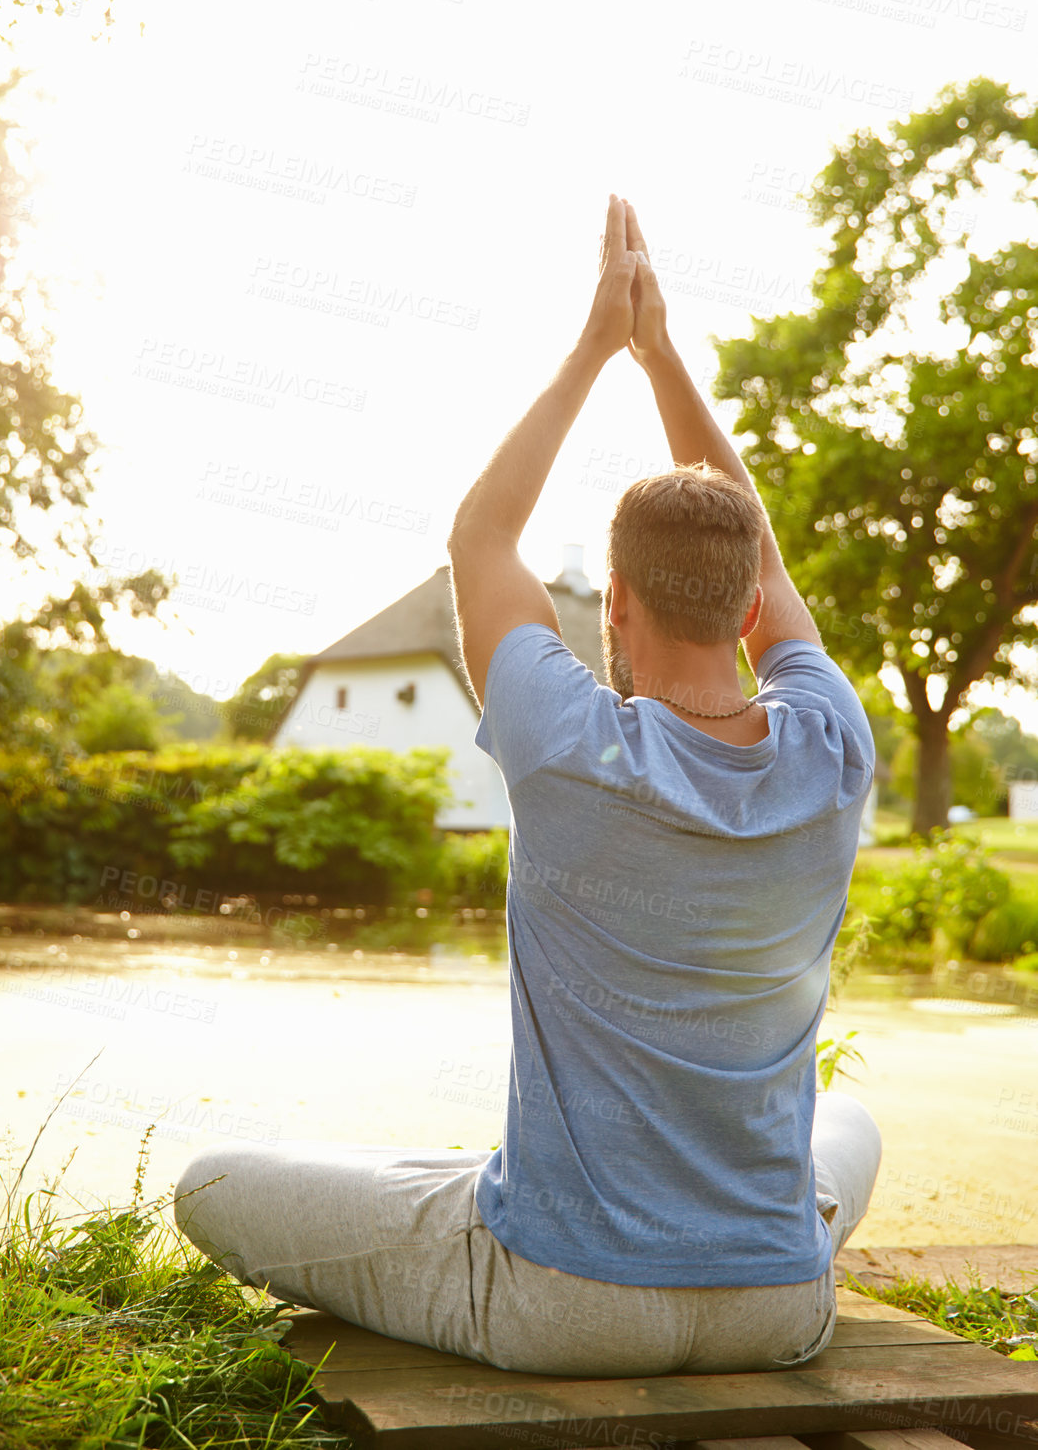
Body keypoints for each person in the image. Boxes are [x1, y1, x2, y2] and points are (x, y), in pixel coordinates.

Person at [173, 194, 882, 1378]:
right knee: (848, 1125)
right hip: (777, 1306)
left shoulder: (568, 743)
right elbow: (746, 542)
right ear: (750, 609)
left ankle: (496, 1198)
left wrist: (595, 346)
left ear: (611, 605)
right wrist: (665, 357)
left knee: (215, 1184)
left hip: (565, 1308)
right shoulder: (834, 743)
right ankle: (557, 1198)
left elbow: (480, 537)